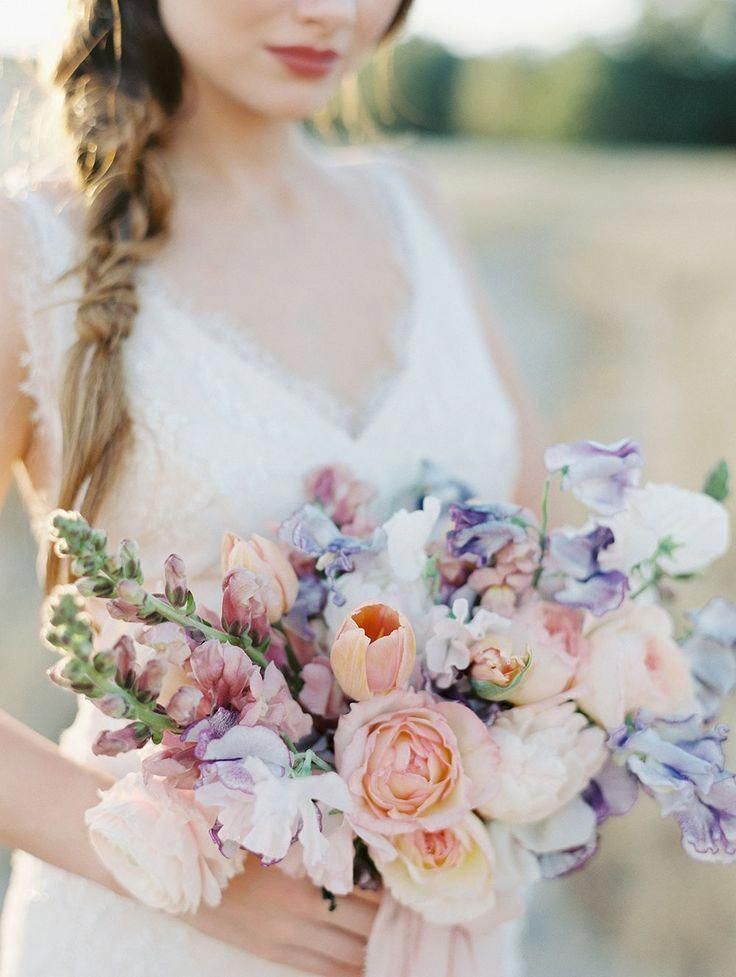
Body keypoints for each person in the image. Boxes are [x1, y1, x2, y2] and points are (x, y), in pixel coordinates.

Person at [0, 2, 544, 975]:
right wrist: (188, 870)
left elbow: (536, 566)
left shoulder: (411, 202)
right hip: (158, 938)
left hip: (448, 928)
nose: (329, 10)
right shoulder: (27, 248)